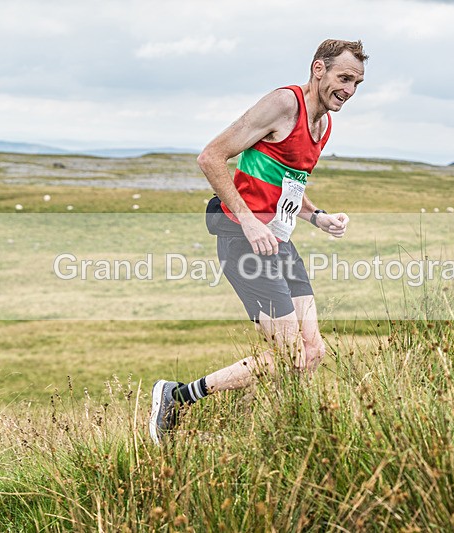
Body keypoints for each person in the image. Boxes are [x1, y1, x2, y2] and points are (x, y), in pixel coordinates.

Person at [149, 39, 367, 445]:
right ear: (318, 69)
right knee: (289, 356)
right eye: (344, 78)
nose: (349, 90)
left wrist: (317, 216)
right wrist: (250, 223)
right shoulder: (284, 104)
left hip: (279, 243)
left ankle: (267, 431)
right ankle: (176, 398)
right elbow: (211, 156)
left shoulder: (324, 124)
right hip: (244, 239)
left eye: (357, 82)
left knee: (313, 353)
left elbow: (285, 185)